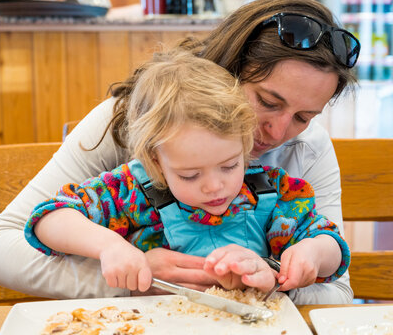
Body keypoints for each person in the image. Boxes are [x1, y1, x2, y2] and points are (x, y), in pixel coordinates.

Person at [0, 0, 360, 303]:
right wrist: (137, 277)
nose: (277, 132)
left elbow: (334, 284)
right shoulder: (134, 130)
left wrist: (273, 277)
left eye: (303, 116)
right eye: (268, 102)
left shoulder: (286, 179)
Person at [24, 51, 350, 294]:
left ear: (245, 143)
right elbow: (49, 217)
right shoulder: (132, 191)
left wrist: (311, 253)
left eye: (230, 165)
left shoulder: (270, 192)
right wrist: (109, 246)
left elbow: (329, 244)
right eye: (190, 175)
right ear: (155, 159)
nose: (215, 187)